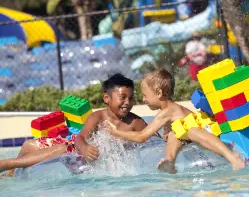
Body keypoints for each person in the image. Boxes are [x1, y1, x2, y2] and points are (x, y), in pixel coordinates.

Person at [0, 74, 148, 177]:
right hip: (78, 152)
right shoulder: (98, 117)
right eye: (123, 97)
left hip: (83, 162)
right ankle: (11, 171)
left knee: (62, 149)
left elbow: (153, 138)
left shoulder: (135, 122)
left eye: (131, 98)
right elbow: (80, 138)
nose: (127, 102)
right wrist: (84, 148)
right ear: (106, 98)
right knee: (28, 145)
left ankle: (8, 164)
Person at [105, 69, 246, 174]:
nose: (143, 99)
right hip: (192, 136)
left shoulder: (168, 112)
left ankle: (233, 158)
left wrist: (116, 133)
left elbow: (142, 137)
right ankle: (170, 160)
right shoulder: (169, 114)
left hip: (209, 132)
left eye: (145, 95)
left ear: (159, 93)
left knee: (189, 131)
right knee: (175, 133)